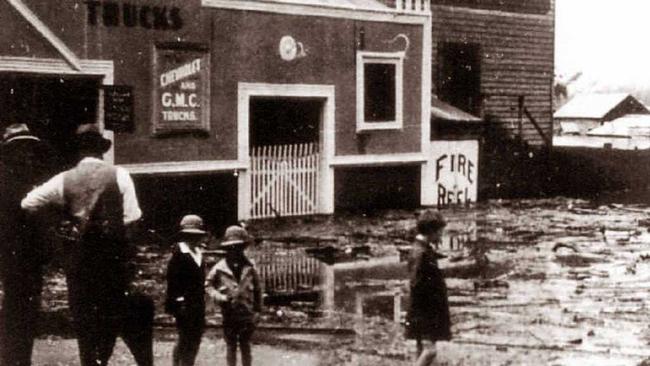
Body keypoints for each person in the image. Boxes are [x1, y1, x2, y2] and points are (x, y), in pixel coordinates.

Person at [21, 123, 153, 366]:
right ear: (101, 151)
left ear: (79, 151)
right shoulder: (120, 174)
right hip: (113, 263)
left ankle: (91, 361)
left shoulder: (64, 179)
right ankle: (104, 355)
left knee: (84, 324)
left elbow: (28, 203)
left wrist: (60, 218)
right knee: (112, 319)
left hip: (80, 264)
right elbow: (133, 217)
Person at [0, 123, 56, 366]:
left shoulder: (30, 181)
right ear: (10, 152)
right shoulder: (6, 181)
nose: (27, 154)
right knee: (16, 313)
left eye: (29, 148)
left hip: (28, 259)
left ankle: (20, 359)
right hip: (11, 257)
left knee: (25, 313)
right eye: (21, 148)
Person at [206, 225, 262, 366]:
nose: (235, 250)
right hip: (229, 312)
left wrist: (258, 311)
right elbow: (208, 286)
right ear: (227, 248)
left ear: (243, 247)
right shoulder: (220, 267)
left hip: (247, 312)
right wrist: (220, 297)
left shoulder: (250, 267)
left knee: (245, 346)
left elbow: (258, 290)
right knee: (231, 346)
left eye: (238, 247)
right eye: (232, 247)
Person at [405, 209, 451, 366]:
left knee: (421, 349)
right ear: (431, 230)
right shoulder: (422, 253)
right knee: (430, 351)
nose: (441, 235)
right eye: (440, 232)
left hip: (420, 310)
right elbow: (418, 283)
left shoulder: (419, 248)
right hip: (426, 311)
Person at [165, 214, 209, 366]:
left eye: (196, 236)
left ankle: (187, 363)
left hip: (197, 303)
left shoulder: (199, 254)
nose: (193, 239)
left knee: (196, 337)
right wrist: (178, 301)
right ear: (184, 236)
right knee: (185, 337)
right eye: (190, 236)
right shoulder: (179, 255)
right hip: (183, 304)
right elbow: (172, 281)